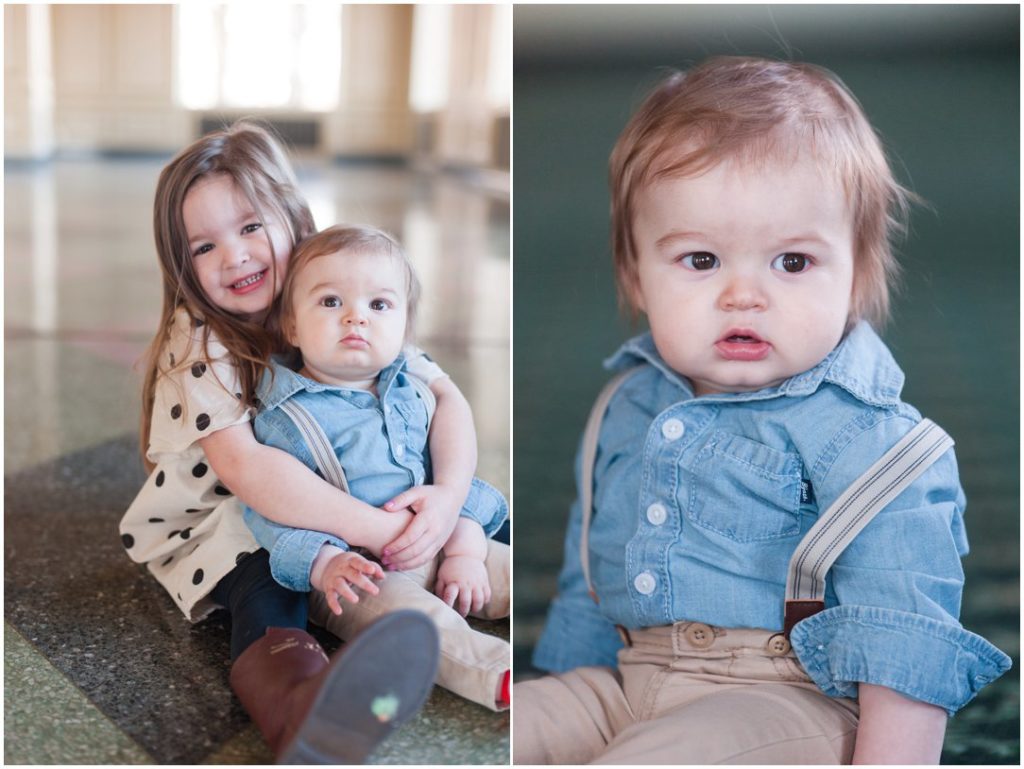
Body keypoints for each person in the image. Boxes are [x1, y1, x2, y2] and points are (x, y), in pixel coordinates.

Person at [514, 57, 1011, 765]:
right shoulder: (626, 405)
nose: (743, 295)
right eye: (700, 260)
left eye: (792, 263)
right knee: (520, 723)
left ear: (857, 275)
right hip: (630, 680)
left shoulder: (877, 444)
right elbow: (587, 578)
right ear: (635, 274)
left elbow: (906, 640)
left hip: (788, 699)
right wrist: (567, 695)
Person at [119, 121, 481, 762]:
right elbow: (250, 473)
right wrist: (377, 527)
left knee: (473, 508)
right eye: (204, 247)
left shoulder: (334, 288)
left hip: (340, 493)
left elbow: (444, 395)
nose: (235, 257)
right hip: (228, 514)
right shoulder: (199, 339)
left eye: (252, 227)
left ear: (295, 221)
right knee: (264, 574)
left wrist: (447, 499)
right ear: (183, 266)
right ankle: (294, 699)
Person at [242, 224, 511, 712]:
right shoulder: (286, 418)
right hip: (358, 573)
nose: (355, 318)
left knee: (508, 569)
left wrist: (465, 549)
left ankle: (589, 622)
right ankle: (499, 672)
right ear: (293, 327)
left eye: (378, 305)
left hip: (442, 539)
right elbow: (271, 513)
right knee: (417, 624)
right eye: (329, 302)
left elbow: (451, 486)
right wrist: (326, 565)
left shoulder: (414, 392)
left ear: (405, 330)